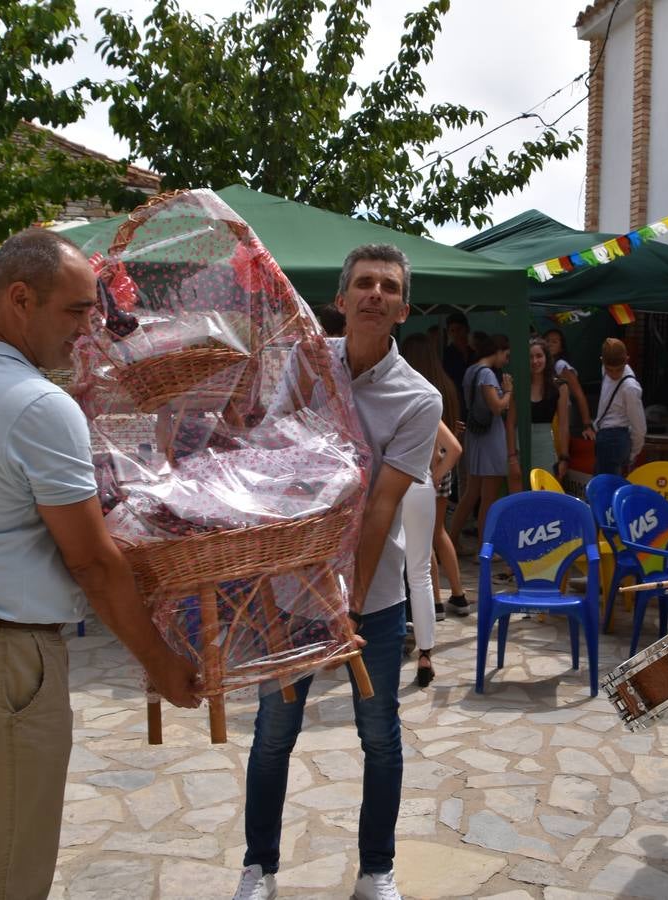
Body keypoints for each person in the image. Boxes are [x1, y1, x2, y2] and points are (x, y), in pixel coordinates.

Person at [0, 228, 201, 900]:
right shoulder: (37, 403)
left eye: (94, 313)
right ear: (19, 299)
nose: (88, 332)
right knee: (8, 876)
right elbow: (92, 562)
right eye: (75, 312)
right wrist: (162, 662)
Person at [234, 244, 441, 900]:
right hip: (291, 589)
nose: (374, 294)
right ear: (341, 299)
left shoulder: (419, 399)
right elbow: (272, 461)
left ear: (403, 309)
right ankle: (259, 867)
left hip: (371, 598)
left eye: (388, 286)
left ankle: (376, 870)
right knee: (272, 734)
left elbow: (382, 505)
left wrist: (347, 597)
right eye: (363, 284)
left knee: (379, 735)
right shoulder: (306, 362)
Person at [400, 332, 465, 685]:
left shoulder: (392, 395)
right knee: (420, 572)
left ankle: (395, 638)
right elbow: (453, 447)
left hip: (392, 488)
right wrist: (433, 475)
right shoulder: (428, 397)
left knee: (391, 570)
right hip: (422, 486)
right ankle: (425, 652)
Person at [448, 333, 513, 568]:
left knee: (470, 494)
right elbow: (497, 408)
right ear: (496, 351)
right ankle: (484, 548)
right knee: (488, 497)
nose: (506, 361)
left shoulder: (470, 371)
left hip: (474, 437)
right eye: (505, 355)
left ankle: (451, 540)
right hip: (490, 438)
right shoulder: (486, 374)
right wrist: (508, 392)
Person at [592, 338, 645, 476]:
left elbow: (639, 427)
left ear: (627, 360)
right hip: (604, 436)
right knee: (599, 486)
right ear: (602, 362)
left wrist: (633, 453)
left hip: (616, 437)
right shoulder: (604, 368)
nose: (614, 374)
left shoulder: (630, 387)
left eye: (619, 369)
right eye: (610, 370)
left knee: (607, 490)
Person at [527, 337, 571, 480]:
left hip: (546, 445)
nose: (535, 361)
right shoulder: (520, 385)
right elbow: (510, 422)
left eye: (539, 356)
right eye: (531, 357)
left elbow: (564, 424)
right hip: (521, 446)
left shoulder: (560, 386)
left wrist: (564, 457)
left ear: (547, 358)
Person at [544, 328, 595, 439]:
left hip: (561, 419)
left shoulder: (561, 366)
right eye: (547, 341)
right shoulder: (542, 365)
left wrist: (587, 425)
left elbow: (579, 395)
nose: (549, 344)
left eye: (554, 342)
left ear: (561, 347)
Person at [442, 310, 474, 407]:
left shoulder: (474, 353)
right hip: (455, 401)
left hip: (473, 403)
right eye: (452, 330)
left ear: (467, 329)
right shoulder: (446, 355)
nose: (456, 334)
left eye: (459, 329)